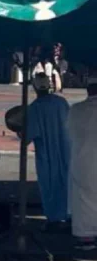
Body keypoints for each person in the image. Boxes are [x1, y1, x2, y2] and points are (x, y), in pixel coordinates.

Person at [26, 73, 71, 228]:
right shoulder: (61, 102)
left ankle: (54, 218)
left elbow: (28, 135)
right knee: (67, 182)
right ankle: (70, 213)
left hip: (47, 153)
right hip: (67, 149)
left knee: (50, 185)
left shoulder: (35, 107)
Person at [68, 77, 97, 250]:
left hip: (83, 160)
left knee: (83, 198)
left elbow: (69, 132)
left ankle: (86, 235)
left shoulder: (76, 110)